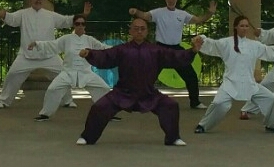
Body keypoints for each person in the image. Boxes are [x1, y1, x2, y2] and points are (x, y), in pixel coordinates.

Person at [76, 18, 199, 146]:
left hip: (149, 93)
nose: (139, 31)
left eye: (142, 28)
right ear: (130, 31)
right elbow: (105, 56)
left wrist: (192, 51)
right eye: (136, 28)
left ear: (147, 32)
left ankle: (173, 138)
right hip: (122, 93)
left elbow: (175, 57)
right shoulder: (122, 50)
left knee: (170, 105)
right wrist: (89, 54)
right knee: (99, 107)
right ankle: (87, 137)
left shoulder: (156, 50)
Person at [193, 16, 274, 135]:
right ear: (236, 27)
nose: (244, 28)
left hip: (250, 84)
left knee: (271, 99)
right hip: (230, 83)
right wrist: (202, 39)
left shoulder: (254, 45)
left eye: (246, 26)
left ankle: (271, 125)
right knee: (218, 103)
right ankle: (203, 125)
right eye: (241, 26)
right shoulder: (226, 43)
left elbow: (271, 52)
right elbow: (213, 45)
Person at [0, 0, 92, 109]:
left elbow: (67, 20)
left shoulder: (50, 15)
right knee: (12, 74)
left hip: (49, 55)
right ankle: (3, 101)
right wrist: (3, 15)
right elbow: (11, 19)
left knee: (64, 74)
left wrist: (84, 15)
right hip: (26, 55)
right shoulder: (23, 14)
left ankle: (67, 100)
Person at [129, 0, 216, 109]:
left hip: (177, 50)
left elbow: (199, 20)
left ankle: (195, 102)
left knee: (190, 75)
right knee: (149, 75)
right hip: (161, 48)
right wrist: (135, 11)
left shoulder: (182, 14)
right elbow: (145, 16)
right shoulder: (159, 12)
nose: (171, 1)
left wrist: (210, 13)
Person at [27, 14, 112, 121]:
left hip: (86, 73)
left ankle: (108, 113)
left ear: (85, 25)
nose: (80, 26)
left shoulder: (90, 40)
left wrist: (121, 49)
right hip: (68, 72)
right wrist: (37, 44)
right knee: (53, 89)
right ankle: (45, 114)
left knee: (103, 88)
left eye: (83, 24)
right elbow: (53, 45)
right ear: (74, 25)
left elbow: (103, 48)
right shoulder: (66, 39)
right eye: (77, 24)